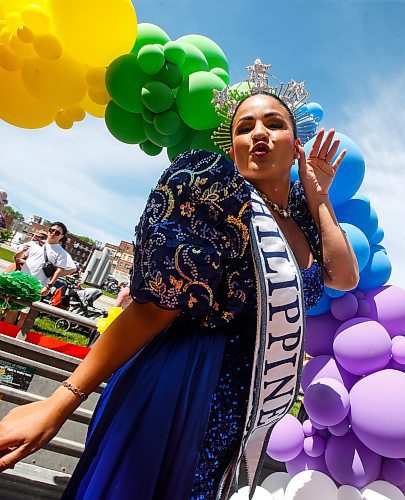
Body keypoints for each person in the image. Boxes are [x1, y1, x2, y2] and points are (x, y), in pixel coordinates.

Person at [0, 62, 358, 499]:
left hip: (241, 412)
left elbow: (342, 277)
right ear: (233, 146)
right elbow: (155, 306)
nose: (259, 132)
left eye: (274, 123)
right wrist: (61, 402)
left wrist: (319, 196)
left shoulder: (302, 218)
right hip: (182, 384)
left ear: (296, 145)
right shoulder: (211, 186)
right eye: (245, 126)